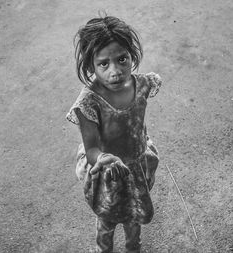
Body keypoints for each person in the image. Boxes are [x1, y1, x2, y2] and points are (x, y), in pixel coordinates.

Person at [66, 15, 162, 253]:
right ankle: (104, 249)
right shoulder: (89, 102)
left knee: (134, 215)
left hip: (137, 166)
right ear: (91, 66)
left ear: (132, 55)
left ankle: (133, 247)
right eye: (104, 64)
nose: (116, 71)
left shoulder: (142, 85)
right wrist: (102, 159)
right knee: (107, 220)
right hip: (108, 173)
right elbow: (91, 150)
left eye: (122, 59)